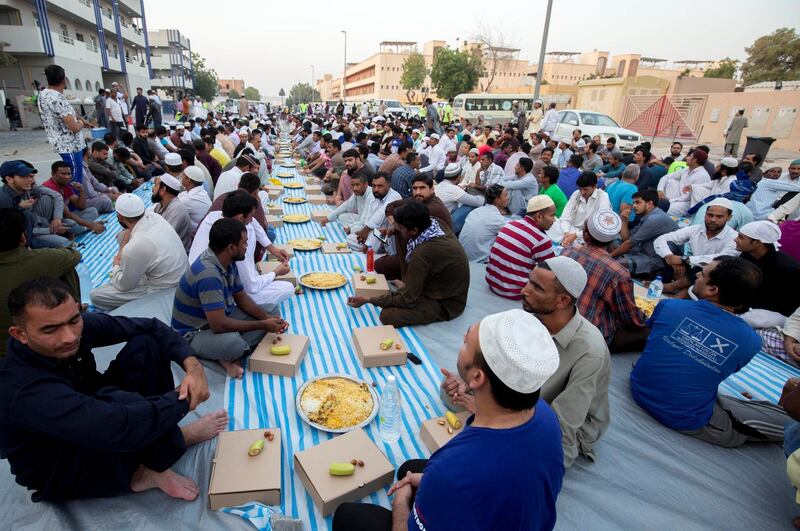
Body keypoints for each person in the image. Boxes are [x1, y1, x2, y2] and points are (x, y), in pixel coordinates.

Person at [333, 309, 563, 531]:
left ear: (476, 377)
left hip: (471, 490)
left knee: (348, 516)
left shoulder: (452, 470)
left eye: (467, 342)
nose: (463, 337)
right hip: (509, 510)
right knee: (409, 470)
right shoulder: (544, 414)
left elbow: (457, 477)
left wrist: (401, 504)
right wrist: (430, 481)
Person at [0, 277, 225, 502]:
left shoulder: (74, 327)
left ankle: (157, 442)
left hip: (94, 404)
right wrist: (185, 399)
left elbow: (153, 327)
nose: (69, 336)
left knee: (147, 343)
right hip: (60, 462)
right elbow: (117, 425)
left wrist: (194, 368)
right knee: (122, 408)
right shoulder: (22, 387)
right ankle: (148, 464)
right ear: (20, 334)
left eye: (74, 320)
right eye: (50, 330)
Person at [443, 257, 610, 467]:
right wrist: (467, 382)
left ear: (563, 301)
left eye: (537, 288)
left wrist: (497, 418)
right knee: (454, 396)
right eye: (529, 281)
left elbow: (562, 431)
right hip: (519, 401)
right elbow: (496, 366)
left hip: (556, 422)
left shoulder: (590, 352)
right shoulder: (533, 319)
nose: (524, 290)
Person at [630, 256, 789, 447]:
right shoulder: (750, 341)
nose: (696, 275)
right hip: (684, 417)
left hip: (640, 387)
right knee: (789, 424)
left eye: (703, 274)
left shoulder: (670, 306)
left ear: (712, 289)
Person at [173, 218, 288, 379]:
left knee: (271, 310)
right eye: (244, 243)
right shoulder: (209, 275)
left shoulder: (227, 259)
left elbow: (241, 297)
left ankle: (224, 352)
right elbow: (219, 325)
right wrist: (263, 324)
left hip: (219, 317)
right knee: (235, 345)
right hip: (195, 332)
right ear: (232, 247)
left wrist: (267, 318)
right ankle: (225, 354)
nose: (246, 247)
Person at [347, 201, 469, 327]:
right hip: (437, 282)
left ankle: (409, 287)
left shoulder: (423, 253)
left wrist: (369, 299)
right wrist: (393, 229)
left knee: (387, 315)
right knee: (399, 234)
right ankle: (408, 284)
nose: (398, 228)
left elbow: (407, 300)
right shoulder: (433, 222)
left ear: (414, 230)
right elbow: (401, 227)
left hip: (446, 302)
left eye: (400, 226)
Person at [189, 190, 293, 310]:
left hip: (204, 280)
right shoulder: (235, 242)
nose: (246, 244)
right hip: (216, 294)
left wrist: (272, 249)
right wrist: (276, 272)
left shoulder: (215, 215)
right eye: (245, 242)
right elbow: (251, 287)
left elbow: (253, 223)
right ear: (240, 217)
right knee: (287, 288)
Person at [561, 210, 649, 351]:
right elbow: (630, 318)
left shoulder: (567, 251)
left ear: (585, 234)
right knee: (649, 331)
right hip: (588, 336)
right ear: (612, 239)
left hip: (560, 321)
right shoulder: (618, 272)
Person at [0, 209, 80, 357]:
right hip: (26, 351)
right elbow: (74, 255)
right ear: (23, 237)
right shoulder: (44, 259)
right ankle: (72, 312)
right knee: (66, 267)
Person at [90, 194, 188, 311]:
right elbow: (127, 233)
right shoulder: (155, 217)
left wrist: (116, 266)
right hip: (181, 277)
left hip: (165, 290)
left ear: (120, 217)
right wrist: (124, 245)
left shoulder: (135, 246)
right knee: (122, 237)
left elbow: (124, 285)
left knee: (96, 296)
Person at [375, 174, 453, 280]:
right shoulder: (417, 200)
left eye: (422, 188)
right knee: (380, 264)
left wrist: (395, 228)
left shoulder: (432, 208)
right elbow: (390, 207)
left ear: (432, 189)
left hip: (431, 258)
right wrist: (394, 226)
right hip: (413, 252)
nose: (418, 192)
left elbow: (407, 226)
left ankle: (406, 279)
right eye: (415, 188)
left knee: (380, 266)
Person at [654, 198, 739, 295]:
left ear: (729, 218)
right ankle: (661, 283)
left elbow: (723, 259)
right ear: (705, 214)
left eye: (719, 217)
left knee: (707, 270)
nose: (713, 220)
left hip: (713, 275)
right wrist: (669, 256)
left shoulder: (734, 237)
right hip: (692, 267)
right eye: (710, 215)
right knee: (667, 247)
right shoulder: (696, 229)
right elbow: (661, 239)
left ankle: (670, 287)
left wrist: (684, 259)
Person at [485, 195, 557, 299]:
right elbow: (552, 270)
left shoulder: (509, 224)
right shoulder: (541, 240)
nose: (554, 220)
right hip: (514, 291)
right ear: (539, 216)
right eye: (552, 215)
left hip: (493, 283)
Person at [37, 65, 92, 184]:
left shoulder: (44, 94)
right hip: (69, 146)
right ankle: (74, 202)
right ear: (64, 80)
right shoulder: (56, 98)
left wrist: (80, 118)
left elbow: (65, 114)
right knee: (74, 181)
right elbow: (74, 127)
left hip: (66, 145)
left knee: (76, 179)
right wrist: (81, 123)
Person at [736, 221, 800, 319]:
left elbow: (786, 303)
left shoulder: (785, 267)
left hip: (779, 313)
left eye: (741, 237)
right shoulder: (746, 255)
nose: (735, 240)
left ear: (757, 242)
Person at [0, 160, 71, 249]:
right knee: (63, 243)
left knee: (72, 225)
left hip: (36, 226)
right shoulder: (4, 200)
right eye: (25, 176)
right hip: (21, 241)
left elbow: (57, 196)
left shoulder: (25, 188)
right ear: (9, 179)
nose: (32, 180)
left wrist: (57, 219)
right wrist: (51, 230)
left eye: (31, 176)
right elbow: (16, 233)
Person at [612, 190, 679, 275]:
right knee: (614, 242)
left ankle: (654, 273)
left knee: (618, 265)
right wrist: (624, 220)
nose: (633, 206)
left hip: (657, 259)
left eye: (637, 202)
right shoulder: (647, 216)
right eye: (633, 203)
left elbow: (629, 243)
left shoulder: (654, 219)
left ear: (649, 204)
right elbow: (627, 238)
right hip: (643, 250)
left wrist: (609, 256)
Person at [42, 161, 105, 236]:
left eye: (68, 174)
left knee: (92, 211)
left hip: (65, 217)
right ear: (53, 174)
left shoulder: (65, 185)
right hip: (52, 221)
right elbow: (67, 214)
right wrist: (91, 226)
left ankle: (78, 229)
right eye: (63, 174)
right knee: (70, 223)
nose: (67, 177)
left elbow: (81, 206)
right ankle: (86, 228)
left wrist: (82, 191)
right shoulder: (49, 187)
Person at [348, 173, 401, 252]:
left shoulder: (395, 196)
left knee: (377, 231)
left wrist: (364, 231)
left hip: (389, 238)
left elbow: (381, 214)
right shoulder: (376, 196)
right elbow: (369, 218)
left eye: (380, 186)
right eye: (373, 186)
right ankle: (371, 248)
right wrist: (364, 233)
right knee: (350, 238)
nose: (376, 189)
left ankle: (364, 251)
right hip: (375, 236)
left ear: (388, 185)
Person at [559, 172, 612, 246]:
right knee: (553, 222)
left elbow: (600, 225)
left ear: (595, 187)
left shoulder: (602, 197)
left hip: (589, 235)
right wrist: (566, 232)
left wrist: (576, 235)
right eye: (580, 189)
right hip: (570, 230)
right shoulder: (576, 194)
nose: (582, 192)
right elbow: (565, 216)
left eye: (585, 189)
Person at [459, 185, 509, 263]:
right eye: (506, 195)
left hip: (463, 257)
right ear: (497, 200)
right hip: (479, 261)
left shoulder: (476, 211)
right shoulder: (497, 219)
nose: (508, 198)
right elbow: (514, 229)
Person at [657, 149, 711, 216]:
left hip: (688, 203)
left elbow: (687, 197)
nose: (686, 158)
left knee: (665, 209)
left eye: (689, 156)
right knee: (671, 181)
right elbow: (666, 177)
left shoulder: (702, 175)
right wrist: (660, 190)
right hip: (678, 198)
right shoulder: (687, 170)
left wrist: (669, 201)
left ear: (694, 160)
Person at [151, 173, 194, 253]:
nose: (153, 188)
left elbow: (163, 238)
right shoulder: (159, 206)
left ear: (163, 190)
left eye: (155, 185)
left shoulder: (177, 209)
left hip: (175, 253)